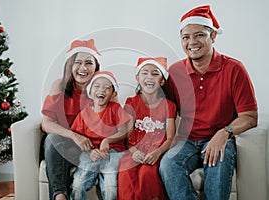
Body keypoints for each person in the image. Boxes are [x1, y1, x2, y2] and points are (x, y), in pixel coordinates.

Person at [159, 5, 258, 200]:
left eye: (199, 35)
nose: (191, 42)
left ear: (212, 37)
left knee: (218, 162)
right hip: (186, 141)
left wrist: (224, 133)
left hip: (219, 138)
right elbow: (165, 112)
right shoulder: (176, 72)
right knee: (168, 164)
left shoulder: (234, 69)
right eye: (185, 37)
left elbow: (250, 117)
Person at [41, 39, 101, 200]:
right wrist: (74, 135)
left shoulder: (103, 88)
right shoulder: (59, 85)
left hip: (88, 149)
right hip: (62, 146)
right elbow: (46, 123)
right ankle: (59, 196)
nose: (83, 68)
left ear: (96, 67)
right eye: (78, 63)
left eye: (89, 63)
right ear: (70, 66)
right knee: (52, 139)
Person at [117, 57, 177, 200]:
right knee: (126, 170)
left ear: (162, 81)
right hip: (135, 150)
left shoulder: (169, 106)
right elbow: (127, 136)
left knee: (147, 174)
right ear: (138, 78)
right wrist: (134, 151)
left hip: (156, 151)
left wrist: (157, 152)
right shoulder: (131, 102)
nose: (149, 77)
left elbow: (170, 138)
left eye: (155, 73)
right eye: (145, 73)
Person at [69, 71, 131, 200]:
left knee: (110, 186)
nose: (101, 90)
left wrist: (107, 140)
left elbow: (123, 131)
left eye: (107, 87)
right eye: (97, 86)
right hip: (91, 153)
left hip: (113, 152)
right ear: (90, 92)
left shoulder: (115, 108)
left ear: (113, 94)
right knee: (78, 184)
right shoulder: (83, 114)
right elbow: (77, 138)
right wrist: (90, 151)